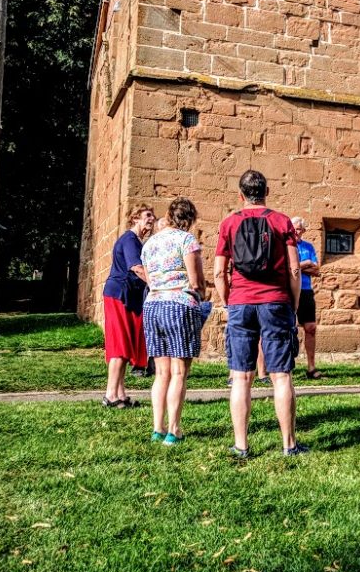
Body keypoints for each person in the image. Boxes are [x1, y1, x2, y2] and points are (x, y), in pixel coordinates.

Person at [214, 170, 307, 459]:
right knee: (281, 376)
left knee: (241, 377)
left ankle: (241, 445)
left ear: (240, 195)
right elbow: (294, 268)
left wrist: (229, 301)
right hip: (275, 301)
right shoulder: (282, 222)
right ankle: (288, 444)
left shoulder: (229, 223)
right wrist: (293, 303)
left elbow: (219, 271)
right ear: (267, 191)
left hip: (240, 302)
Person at [140, 197, 206, 445]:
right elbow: (196, 280)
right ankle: (173, 430)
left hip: (153, 305)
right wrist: (202, 295)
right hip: (179, 304)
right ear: (188, 220)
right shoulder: (186, 239)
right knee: (179, 372)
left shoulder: (149, 243)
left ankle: (157, 428)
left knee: (161, 372)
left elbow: (149, 277)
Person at [101, 204, 154, 407]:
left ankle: (120, 394)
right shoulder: (130, 240)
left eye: (152, 216)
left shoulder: (135, 241)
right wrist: (156, 285)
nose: (151, 219)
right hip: (118, 295)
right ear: (135, 218)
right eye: (147, 215)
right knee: (120, 346)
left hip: (127, 296)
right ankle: (111, 395)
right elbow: (137, 268)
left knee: (124, 346)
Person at [292, 216, 324, 380]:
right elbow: (287, 268)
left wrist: (298, 266)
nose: (297, 232)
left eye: (300, 229)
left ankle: (311, 367)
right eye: (295, 228)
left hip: (305, 290)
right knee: (286, 329)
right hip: (289, 291)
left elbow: (316, 270)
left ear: (303, 231)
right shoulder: (285, 246)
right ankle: (284, 367)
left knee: (310, 328)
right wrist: (305, 264)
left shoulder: (308, 246)